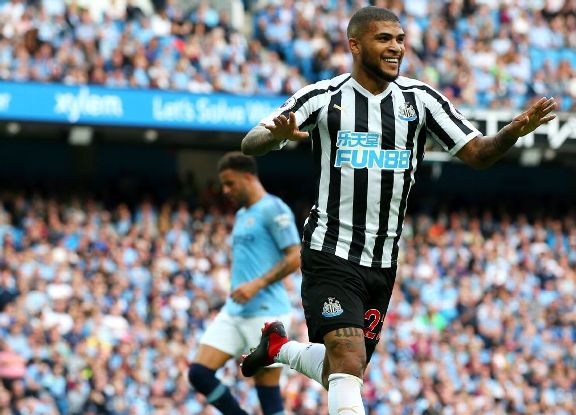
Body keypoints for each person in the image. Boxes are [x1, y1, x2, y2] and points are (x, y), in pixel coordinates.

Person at [238, 6, 556, 415]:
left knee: (343, 368)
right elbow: (250, 141)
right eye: (384, 39)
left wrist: (513, 131)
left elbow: (477, 153)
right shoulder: (325, 97)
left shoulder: (420, 100)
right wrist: (275, 136)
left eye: (400, 39)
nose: (396, 48)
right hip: (330, 250)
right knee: (348, 359)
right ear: (355, 44)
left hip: (383, 261)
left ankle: (279, 347)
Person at [188, 152, 301, 415]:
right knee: (199, 373)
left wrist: (257, 284)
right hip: (234, 311)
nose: (225, 190)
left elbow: (296, 255)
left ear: (248, 177)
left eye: (230, 183)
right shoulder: (242, 214)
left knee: (268, 395)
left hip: (266, 314)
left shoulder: (274, 208)